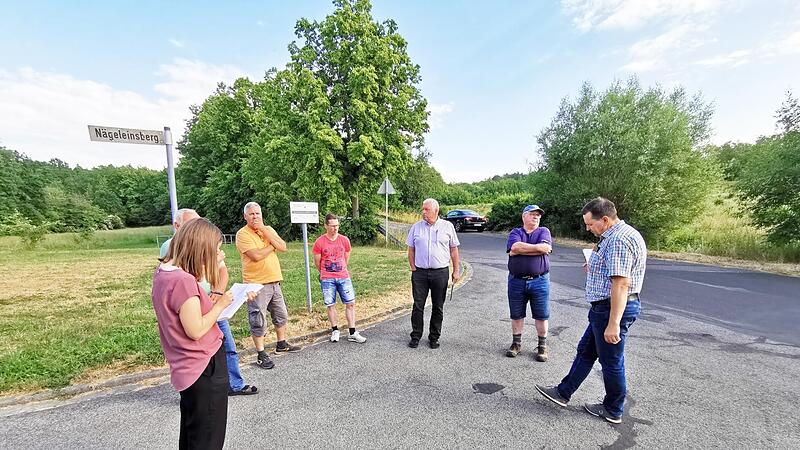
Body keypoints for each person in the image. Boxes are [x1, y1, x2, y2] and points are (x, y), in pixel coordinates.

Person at [536, 197, 646, 424]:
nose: (587, 228)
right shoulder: (616, 235)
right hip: (604, 308)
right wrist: (594, 265)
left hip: (611, 309)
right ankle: (563, 392)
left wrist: (613, 323)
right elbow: (614, 271)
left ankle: (613, 409)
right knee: (586, 351)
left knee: (612, 361)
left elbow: (621, 283)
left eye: (589, 224)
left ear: (605, 219)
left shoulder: (618, 240)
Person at [152, 217, 232, 449]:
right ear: (202, 247)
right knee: (208, 439)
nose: (220, 254)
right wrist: (220, 305)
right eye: (217, 249)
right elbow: (195, 329)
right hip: (203, 365)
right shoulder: (183, 281)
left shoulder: (164, 273)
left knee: (192, 436)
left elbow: (186, 313)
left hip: (186, 366)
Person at [160, 208, 258, 396]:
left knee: (226, 346)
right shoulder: (172, 250)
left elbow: (221, 272)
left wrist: (219, 292)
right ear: (178, 226)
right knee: (204, 351)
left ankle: (232, 384)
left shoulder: (206, 247)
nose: (198, 229)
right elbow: (189, 279)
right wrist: (221, 300)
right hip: (196, 310)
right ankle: (205, 388)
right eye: (192, 225)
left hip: (212, 303)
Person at [235, 202, 301, 370]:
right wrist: (272, 246)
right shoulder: (242, 234)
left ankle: (281, 343)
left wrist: (264, 230)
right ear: (245, 216)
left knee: (281, 314)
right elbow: (256, 256)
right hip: (256, 283)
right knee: (258, 319)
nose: (255, 216)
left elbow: (284, 247)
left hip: (274, 280)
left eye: (258, 213)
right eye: (251, 214)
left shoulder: (268, 229)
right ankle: (261, 353)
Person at [406, 198, 461, 349]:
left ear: (436, 211)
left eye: (426, 209)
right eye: (422, 209)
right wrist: (413, 267)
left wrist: (456, 270)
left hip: (440, 272)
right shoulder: (416, 227)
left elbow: (454, 249)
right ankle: (416, 335)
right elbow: (411, 249)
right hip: (420, 273)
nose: (423, 212)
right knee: (418, 305)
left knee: (438, 306)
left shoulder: (447, 227)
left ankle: (434, 337)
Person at [506, 204, 552, 361]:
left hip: (540, 281)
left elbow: (545, 248)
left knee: (541, 315)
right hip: (516, 281)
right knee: (516, 314)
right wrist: (536, 249)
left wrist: (521, 250)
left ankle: (542, 347)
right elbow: (514, 246)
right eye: (532, 214)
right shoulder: (516, 232)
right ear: (524, 216)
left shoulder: (543, 231)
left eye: (538, 215)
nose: (536, 217)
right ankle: (516, 344)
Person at [312, 213, 367, 344]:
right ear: (326, 226)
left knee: (350, 303)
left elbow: (346, 255)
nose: (335, 228)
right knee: (330, 305)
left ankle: (352, 332)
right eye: (332, 226)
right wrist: (324, 273)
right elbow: (317, 261)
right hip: (327, 278)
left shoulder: (344, 240)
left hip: (343, 276)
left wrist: (342, 268)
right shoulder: (320, 242)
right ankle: (335, 330)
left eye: (337, 225)